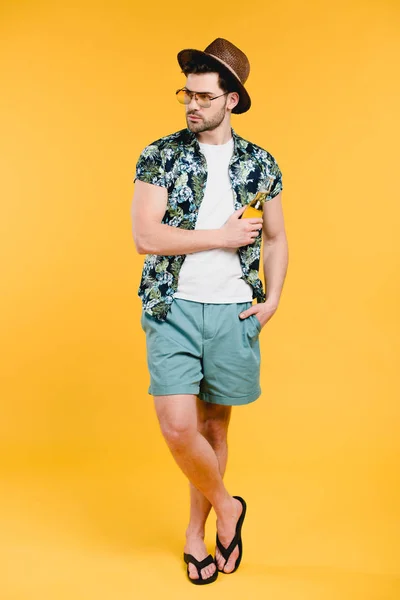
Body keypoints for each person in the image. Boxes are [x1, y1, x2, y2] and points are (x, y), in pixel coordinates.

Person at [131, 37, 288, 585]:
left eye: (202, 96)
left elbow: (275, 237)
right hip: (171, 306)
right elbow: (146, 236)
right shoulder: (159, 154)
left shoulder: (260, 162)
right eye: (186, 95)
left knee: (215, 428)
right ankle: (229, 508)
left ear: (232, 101)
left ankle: (196, 535)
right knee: (179, 427)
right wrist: (218, 236)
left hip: (232, 311)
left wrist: (272, 299)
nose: (191, 105)